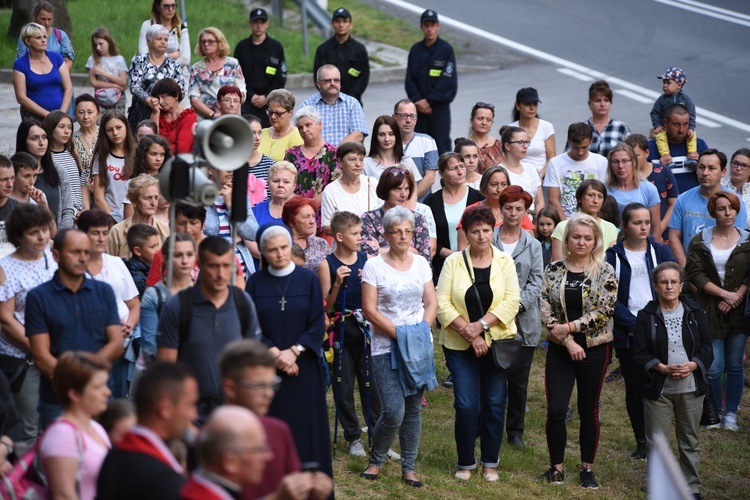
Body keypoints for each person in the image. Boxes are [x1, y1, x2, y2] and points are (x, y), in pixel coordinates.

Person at [435, 204, 520, 480]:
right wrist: (468, 333)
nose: (481, 236)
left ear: (492, 231)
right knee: (466, 405)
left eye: (486, 230)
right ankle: (465, 462)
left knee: (495, 403)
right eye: (475, 232)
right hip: (459, 345)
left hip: (496, 344)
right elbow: (442, 303)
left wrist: (480, 328)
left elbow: (512, 302)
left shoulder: (504, 261)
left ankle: (490, 462)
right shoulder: (453, 262)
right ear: (466, 234)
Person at [245, 224, 333, 481]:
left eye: (284, 247)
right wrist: (274, 352)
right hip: (267, 367)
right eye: (272, 250)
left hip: (303, 365)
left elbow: (318, 321)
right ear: (263, 252)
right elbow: (250, 323)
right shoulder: (256, 282)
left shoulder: (307, 280)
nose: (280, 254)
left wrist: (294, 351)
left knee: (306, 429)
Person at [538, 214, 617, 489]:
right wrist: (567, 340)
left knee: (588, 409)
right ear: (567, 240)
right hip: (561, 349)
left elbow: (604, 312)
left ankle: (587, 470)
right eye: (576, 237)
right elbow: (544, 305)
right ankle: (556, 469)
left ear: (596, 241)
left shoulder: (605, 271)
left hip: (595, 348)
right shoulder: (553, 270)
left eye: (587, 238)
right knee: (556, 408)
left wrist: (569, 327)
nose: (581, 242)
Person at [360, 206, 437, 487]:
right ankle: (376, 460)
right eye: (397, 232)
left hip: (418, 343)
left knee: (413, 409)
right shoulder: (374, 265)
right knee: (393, 410)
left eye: (408, 231)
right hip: (385, 345)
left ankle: (409, 466)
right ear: (386, 234)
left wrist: (420, 332)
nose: (403, 236)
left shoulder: (421, 264)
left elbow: (431, 302)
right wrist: (400, 335)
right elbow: (369, 310)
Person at [25, 229, 123, 428]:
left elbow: (116, 343)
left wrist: (89, 381)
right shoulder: (38, 297)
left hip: (100, 394)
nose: (82, 258)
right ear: (57, 255)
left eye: (86, 252)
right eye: (75, 252)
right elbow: (41, 356)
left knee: (100, 456)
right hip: (58, 399)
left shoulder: (103, 291)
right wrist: (79, 381)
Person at [157, 236, 261, 422]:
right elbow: (166, 370)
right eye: (213, 266)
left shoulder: (242, 303)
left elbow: (252, 361)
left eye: (226, 266)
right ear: (200, 265)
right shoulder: (178, 306)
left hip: (234, 411)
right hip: (191, 413)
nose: (221, 274)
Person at [633, 262, 713, 499]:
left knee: (689, 440)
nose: (669, 286)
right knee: (658, 444)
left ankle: (692, 487)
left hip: (690, 387)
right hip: (658, 389)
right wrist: (660, 367)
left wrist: (693, 364)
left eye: (674, 282)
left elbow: (707, 348)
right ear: (656, 286)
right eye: (663, 282)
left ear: (681, 285)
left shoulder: (695, 312)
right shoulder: (646, 315)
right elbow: (639, 353)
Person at [605, 203, 675, 460]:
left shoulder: (660, 250)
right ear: (625, 226)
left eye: (647, 221)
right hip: (629, 331)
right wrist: (635, 325)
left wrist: (655, 321)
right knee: (635, 387)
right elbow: (608, 297)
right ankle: (642, 441)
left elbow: (675, 284)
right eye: (637, 222)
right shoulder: (612, 256)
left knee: (660, 385)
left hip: (661, 326)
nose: (644, 227)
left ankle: (661, 438)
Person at [318, 212, 385, 457]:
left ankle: (379, 435)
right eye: (355, 234)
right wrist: (336, 284)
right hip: (342, 329)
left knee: (372, 386)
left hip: (367, 328)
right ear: (339, 236)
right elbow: (325, 306)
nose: (360, 237)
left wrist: (367, 282)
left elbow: (379, 297)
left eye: (360, 232)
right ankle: (353, 435)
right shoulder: (327, 264)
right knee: (343, 385)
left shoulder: (368, 259)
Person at [685, 191, 750, 432]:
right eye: (722, 209)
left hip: (739, 310)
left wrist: (736, 297)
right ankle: (713, 411)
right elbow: (694, 272)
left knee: (734, 365)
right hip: (709, 308)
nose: (728, 213)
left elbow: (748, 274)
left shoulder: (747, 239)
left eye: (732, 208)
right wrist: (723, 295)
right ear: (713, 212)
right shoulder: (700, 239)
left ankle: (731, 413)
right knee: (712, 366)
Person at [97, 362, 197, 500]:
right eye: (190, 405)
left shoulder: (115, 455)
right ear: (165, 409)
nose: (194, 415)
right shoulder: (161, 479)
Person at [0, 204, 55, 455]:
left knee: (54, 425)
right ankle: (20, 488)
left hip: (57, 353)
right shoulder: (5, 267)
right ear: (19, 236)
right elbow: (5, 319)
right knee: (28, 429)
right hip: (24, 358)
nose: (42, 236)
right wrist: (38, 349)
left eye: (44, 230)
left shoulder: (54, 260)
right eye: (35, 232)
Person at [492, 187, 543, 449]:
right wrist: (496, 310)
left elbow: (536, 281)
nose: (513, 213)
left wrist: (515, 306)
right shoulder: (488, 239)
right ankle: (487, 425)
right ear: (501, 209)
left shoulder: (533, 245)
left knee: (519, 382)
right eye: (509, 208)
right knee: (491, 377)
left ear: (526, 212)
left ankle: (515, 431)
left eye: (519, 209)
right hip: (491, 320)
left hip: (524, 323)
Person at [78, 209, 141, 399]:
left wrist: (129, 324)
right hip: (87, 346)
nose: (101, 238)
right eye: (95, 233)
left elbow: (134, 304)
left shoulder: (116, 263)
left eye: (105, 233)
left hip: (120, 344)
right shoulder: (74, 266)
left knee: (116, 401)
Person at [40, 352, 111, 500]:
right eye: (98, 387)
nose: (107, 392)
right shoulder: (62, 435)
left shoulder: (95, 427)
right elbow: (63, 495)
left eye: (106, 384)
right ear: (74, 394)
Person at [668, 149, 748, 267]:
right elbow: (674, 237)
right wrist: (687, 269)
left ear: (723, 172)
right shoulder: (683, 199)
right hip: (690, 271)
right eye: (701, 167)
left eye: (711, 168)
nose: (705, 173)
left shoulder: (735, 202)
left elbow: (741, 242)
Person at [424, 152, 483, 281]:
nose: (460, 172)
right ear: (442, 173)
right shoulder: (431, 201)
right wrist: (451, 254)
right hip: (443, 266)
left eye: (462, 166)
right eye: (453, 168)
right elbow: (428, 237)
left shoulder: (478, 197)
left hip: (475, 263)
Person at [405, 10, 457, 155]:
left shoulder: (446, 50)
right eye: (426, 25)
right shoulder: (415, 50)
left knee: (442, 148)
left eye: (432, 25)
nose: (429, 29)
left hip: (438, 109)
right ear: (421, 27)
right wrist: (419, 102)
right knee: (418, 148)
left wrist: (429, 101)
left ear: (438, 26)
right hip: (418, 109)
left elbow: (448, 81)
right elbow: (409, 81)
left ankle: (446, 178)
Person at [139, 232, 195, 364]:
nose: (185, 261)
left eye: (189, 255)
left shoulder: (203, 292)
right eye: (178, 255)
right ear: (166, 258)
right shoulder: (153, 296)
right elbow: (150, 347)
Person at [360, 166, 432, 262]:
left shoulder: (418, 218)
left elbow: (424, 257)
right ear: (386, 190)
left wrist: (381, 250)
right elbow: (368, 254)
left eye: (406, 189)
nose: (403, 194)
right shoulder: (369, 218)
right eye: (398, 189)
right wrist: (412, 250)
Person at [456, 165, 534, 250]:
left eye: (503, 184)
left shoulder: (517, 211)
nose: (499, 189)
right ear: (484, 186)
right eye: (494, 184)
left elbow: (530, 244)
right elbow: (462, 248)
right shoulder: (471, 211)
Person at [16, 119, 75, 230]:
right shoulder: (14, 173)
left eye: (44, 137)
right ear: (24, 141)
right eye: (34, 138)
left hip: (57, 237)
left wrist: (59, 238)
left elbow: (68, 209)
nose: (41, 143)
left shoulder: (58, 170)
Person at [234, 8, 287, 127]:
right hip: (247, 101)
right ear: (250, 24)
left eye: (262, 22)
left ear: (267, 24)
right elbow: (237, 76)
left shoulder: (276, 47)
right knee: (247, 136)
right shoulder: (242, 47)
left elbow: (281, 77)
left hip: (270, 103)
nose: (259, 25)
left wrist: (267, 97)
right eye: (255, 22)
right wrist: (251, 95)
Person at [544, 122, 608, 220]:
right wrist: (565, 225)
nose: (580, 152)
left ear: (591, 140)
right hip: (566, 219)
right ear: (569, 141)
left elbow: (602, 196)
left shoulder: (601, 161)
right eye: (576, 148)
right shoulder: (555, 163)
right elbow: (553, 199)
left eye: (584, 147)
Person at [129, 24, 185, 132]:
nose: (163, 42)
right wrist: (150, 101)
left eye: (166, 39)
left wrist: (166, 103)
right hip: (141, 114)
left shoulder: (174, 64)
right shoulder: (139, 60)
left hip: (167, 116)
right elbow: (134, 86)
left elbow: (180, 90)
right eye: (159, 39)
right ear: (148, 41)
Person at [204, 166, 259, 276]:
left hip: (242, 272)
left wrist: (231, 207)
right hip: (213, 270)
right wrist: (232, 241)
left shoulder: (240, 195)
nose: (230, 170)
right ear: (210, 169)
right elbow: (197, 239)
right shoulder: (198, 198)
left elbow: (253, 233)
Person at [13, 22, 72, 122]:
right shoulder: (20, 64)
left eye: (45, 37)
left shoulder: (56, 58)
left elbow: (68, 88)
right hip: (33, 117)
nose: (43, 40)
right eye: (38, 38)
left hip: (60, 115)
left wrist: (61, 114)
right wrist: (48, 115)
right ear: (28, 41)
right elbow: (21, 98)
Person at [626, 133, 679, 242]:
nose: (632, 161)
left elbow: (673, 203)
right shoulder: (625, 176)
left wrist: (659, 230)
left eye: (636, 156)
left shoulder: (663, 172)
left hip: (661, 235)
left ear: (647, 153)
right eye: (628, 158)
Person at [550, 179, 618, 261]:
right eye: (591, 195)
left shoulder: (610, 228)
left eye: (600, 196)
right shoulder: (562, 226)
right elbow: (557, 263)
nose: (595, 201)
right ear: (580, 198)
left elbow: (611, 261)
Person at [647, 104, 709, 193]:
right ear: (665, 123)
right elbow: (641, 179)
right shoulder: (650, 148)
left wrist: (701, 166)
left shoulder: (699, 145)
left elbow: (713, 177)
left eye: (685, 124)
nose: (681, 130)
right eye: (676, 125)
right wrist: (660, 169)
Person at [300, 64, 368, 146]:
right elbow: (302, 133)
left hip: (344, 155)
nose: (332, 83)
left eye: (336, 80)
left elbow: (358, 134)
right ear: (318, 83)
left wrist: (335, 153)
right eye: (328, 80)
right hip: (315, 156)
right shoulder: (307, 105)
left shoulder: (352, 103)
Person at [321, 142, 380, 235]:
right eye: (352, 160)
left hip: (372, 245)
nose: (358, 164)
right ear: (340, 162)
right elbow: (327, 227)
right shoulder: (330, 190)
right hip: (344, 247)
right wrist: (351, 233)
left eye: (361, 160)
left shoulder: (372, 183)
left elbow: (384, 214)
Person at [314, 7, 370, 105]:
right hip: (328, 101)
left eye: (345, 21)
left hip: (353, 101)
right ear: (332, 24)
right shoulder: (323, 49)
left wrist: (353, 95)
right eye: (338, 21)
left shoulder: (359, 49)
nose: (341, 25)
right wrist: (329, 94)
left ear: (351, 24)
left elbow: (364, 75)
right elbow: (317, 75)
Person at [188, 27, 246, 120]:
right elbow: (193, 98)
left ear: (219, 43)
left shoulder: (233, 64)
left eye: (210, 41)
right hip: (205, 119)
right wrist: (213, 114)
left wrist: (230, 106)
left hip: (231, 116)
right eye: (203, 42)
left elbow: (241, 90)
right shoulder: (196, 68)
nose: (206, 44)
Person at [605, 143, 661, 238]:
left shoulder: (648, 189)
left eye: (625, 161)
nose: (620, 166)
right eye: (615, 162)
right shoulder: (604, 189)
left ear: (634, 162)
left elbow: (656, 229)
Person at [285, 106, 339, 203]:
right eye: (300, 127)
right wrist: (301, 205)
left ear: (320, 125)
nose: (304, 130)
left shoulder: (334, 153)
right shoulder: (291, 154)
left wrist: (313, 203)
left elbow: (336, 186)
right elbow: (285, 183)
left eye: (308, 125)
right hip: (296, 209)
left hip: (325, 209)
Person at [107, 174, 169, 258]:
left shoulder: (165, 230)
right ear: (134, 201)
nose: (153, 203)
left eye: (156, 197)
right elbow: (110, 265)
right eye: (148, 198)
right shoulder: (117, 232)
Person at [91, 110, 136, 224]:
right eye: (109, 130)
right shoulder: (101, 157)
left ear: (126, 127)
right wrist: (114, 220)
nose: (115, 133)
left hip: (135, 218)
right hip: (110, 218)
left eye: (118, 127)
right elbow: (98, 197)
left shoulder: (138, 154)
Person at [392, 99, 439, 201]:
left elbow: (430, 178)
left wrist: (407, 200)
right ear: (394, 117)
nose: (408, 120)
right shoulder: (387, 142)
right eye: (404, 115)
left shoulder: (427, 141)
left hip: (420, 205)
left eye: (412, 116)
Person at [651, 67, 697, 164]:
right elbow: (654, 113)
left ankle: (692, 156)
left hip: (683, 128)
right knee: (660, 137)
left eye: (668, 83)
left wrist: (691, 128)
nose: (665, 86)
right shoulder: (662, 99)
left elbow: (692, 115)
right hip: (664, 127)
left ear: (679, 85)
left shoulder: (686, 99)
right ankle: (666, 156)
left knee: (692, 137)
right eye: (664, 83)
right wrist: (657, 125)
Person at [43, 110, 85, 214]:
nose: (67, 131)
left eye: (69, 127)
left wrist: (85, 209)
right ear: (51, 128)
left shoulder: (73, 154)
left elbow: (82, 183)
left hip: (80, 212)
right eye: (61, 127)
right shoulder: (46, 157)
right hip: (61, 212)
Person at [138, 0, 191, 80]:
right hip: (153, 75)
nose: (170, 9)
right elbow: (143, 55)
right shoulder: (148, 26)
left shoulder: (180, 28)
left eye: (173, 6)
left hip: (177, 76)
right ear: (158, 7)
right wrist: (170, 56)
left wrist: (157, 58)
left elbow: (186, 59)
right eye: (166, 6)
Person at [509, 87, 555, 177]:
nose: (532, 108)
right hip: (518, 176)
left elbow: (551, 158)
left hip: (543, 177)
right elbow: (507, 158)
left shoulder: (546, 127)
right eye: (527, 104)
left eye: (535, 104)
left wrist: (540, 175)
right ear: (518, 106)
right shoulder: (510, 129)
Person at [578, 81, 630, 159]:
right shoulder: (580, 129)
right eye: (598, 100)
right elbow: (569, 157)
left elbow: (631, 157)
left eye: (606, 100)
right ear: (589, 104)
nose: (603, 104)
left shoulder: (621, 128)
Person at [363, 115, 422, 183]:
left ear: (396, 136)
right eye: (382, 134)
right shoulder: (366, 164)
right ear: (376, 137)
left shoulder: (407, 161)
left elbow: (414, 190)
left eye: (391, 134)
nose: (387, 139)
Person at [16, 2, 75, 70]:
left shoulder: (61, 35)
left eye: (49, 19)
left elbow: (69, 61)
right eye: (43, 19)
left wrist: (56, 75)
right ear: (34, 17)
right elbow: (20, 61)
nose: (46, 23)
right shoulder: (25, 37)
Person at [499, 126, 544, 213]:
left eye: (527, 142)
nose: (525, 146)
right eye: (521, 142)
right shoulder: (500, 172)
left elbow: (539, 202)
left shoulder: (530, 168)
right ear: (508, 146)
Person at [282, 197, 330, 272]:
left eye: (313, 216)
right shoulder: (282, 246)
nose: (312, 221)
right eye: (306, 217)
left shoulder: (321, 244)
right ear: (291, 221)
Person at [87, 27, 128, 113]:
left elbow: (123, 81)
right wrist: (116, 86)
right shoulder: (93, 59)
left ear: (108, 41)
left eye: (101, 44)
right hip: (101, 97)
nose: (98, 48)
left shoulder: (119, 59)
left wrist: (104, 73)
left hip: (118, 98)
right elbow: (94, 82)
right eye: (95, 45)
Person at [150, 78, 196, 154]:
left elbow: (181, 149)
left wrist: (157, 150)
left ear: (176, 96)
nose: (161, 101)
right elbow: (149, 141)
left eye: (164, 97)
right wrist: (155, 114)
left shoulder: (189, 117)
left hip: (179, 162)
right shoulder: (157, 113)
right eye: (158, 98)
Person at [257, 89, 303, 161]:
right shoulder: (261, 133)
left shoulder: (297, 137)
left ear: (290, 112)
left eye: (278, 113)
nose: (273, 117)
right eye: (270, 112)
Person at [73, 94, 101, 204]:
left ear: (98, 114)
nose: (85, 117)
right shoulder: (71, 140)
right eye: (81, 112)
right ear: (75, 114)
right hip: (81, 192)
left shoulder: (106, 134)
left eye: (90, 112)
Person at [123, 223, 160, 298]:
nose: (158, 250)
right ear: (137, 251)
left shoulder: (149, 267)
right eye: (152, 247)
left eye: (157, 245)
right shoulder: (137, 277)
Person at [465, 102, 503, 173]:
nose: (484, 123)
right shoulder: (464, 146)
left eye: (488, 120)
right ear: (471, 120)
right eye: (480, 119)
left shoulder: (499, 145)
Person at [721, 148, 750, 227]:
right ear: (730, 164)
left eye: (744, 165)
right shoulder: (719, 186)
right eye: (735, 163)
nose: (738, 168)